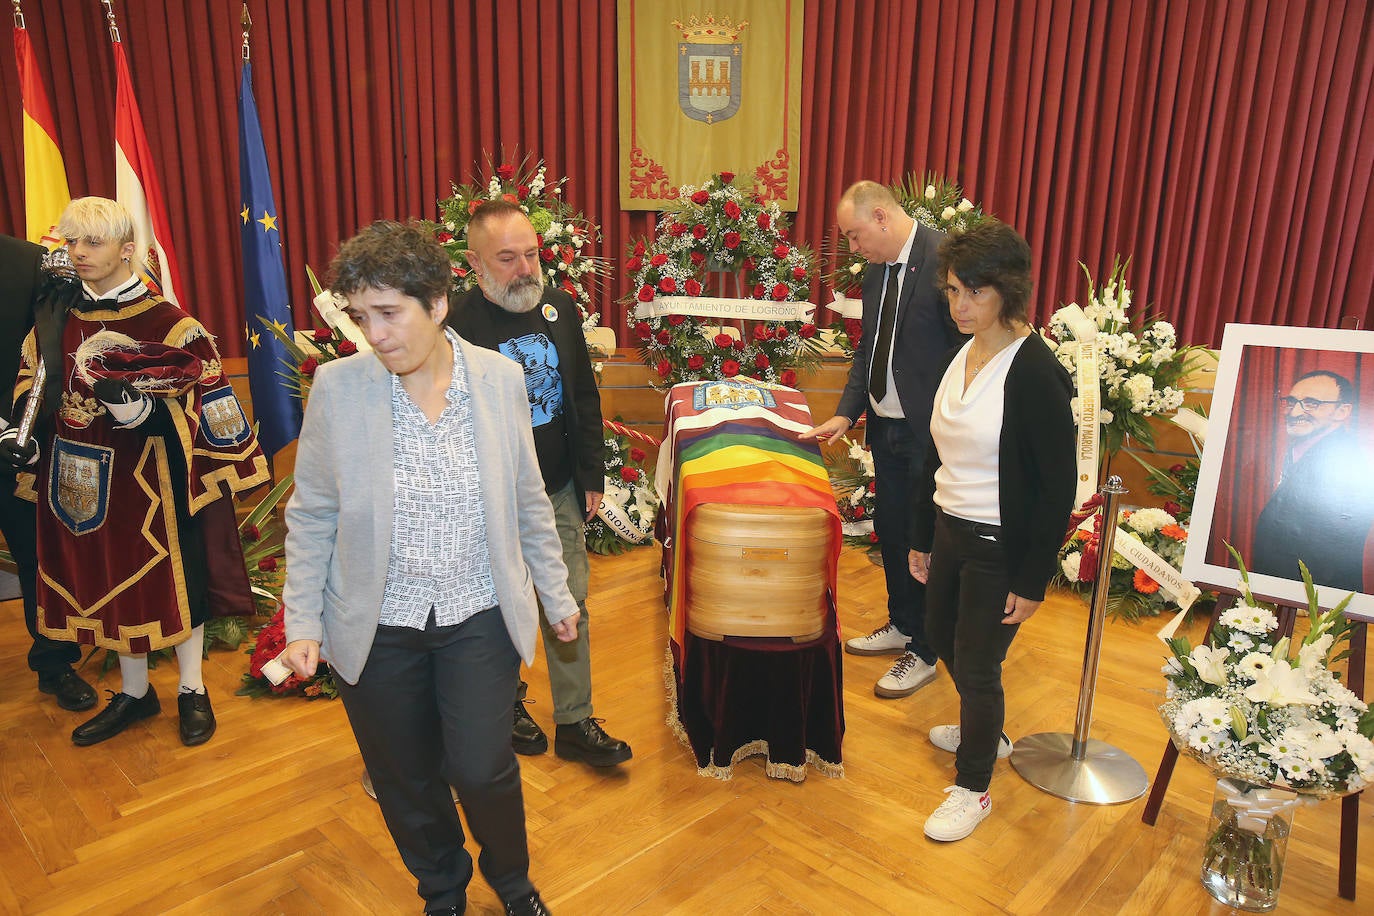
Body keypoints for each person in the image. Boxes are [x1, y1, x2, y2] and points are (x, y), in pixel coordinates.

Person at [282, 220, 574, 916]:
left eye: (389, 314)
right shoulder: (338, 386)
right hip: (377, 625)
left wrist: (557, 595)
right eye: (361, 316)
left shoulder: (500, 380)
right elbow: (313, 511)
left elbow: (529, 499)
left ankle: (513, 884)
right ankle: (442, 890)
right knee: (405, 778)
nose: (374, 334)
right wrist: (302, 619)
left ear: (436, 305)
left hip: (477, 612)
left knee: (481, 767)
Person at [0, 198, 267, 747]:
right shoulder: (55, 316)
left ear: (127, 251)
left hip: (154, 489)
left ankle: (193, 690)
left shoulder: (172, 325)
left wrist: (138, 410)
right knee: (109, 586)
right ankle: (136, 693)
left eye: (92, 243)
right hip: (78, 483)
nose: (77, 254)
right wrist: (20, 435)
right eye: (70, 242)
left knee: (176, 586)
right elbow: (34, 380)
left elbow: (203, 412)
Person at [907, 219, 1075, 841]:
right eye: (952, 291)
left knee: (977, 666)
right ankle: (989, 727)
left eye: (972, 292)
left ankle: (974, 786)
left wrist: (1032, 580)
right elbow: (935, 453)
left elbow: (1058, 486)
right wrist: (924, 535)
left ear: (1006, 290)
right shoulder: (964, 353)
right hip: (952, 530)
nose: (959, 304)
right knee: (938, 634)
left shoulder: (1033, 370)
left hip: (999, 545)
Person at [448, 200, 631, 767]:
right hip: (488, 501)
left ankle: (576, 721)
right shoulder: (455, 326)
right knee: (498, 608)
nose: (525, 268)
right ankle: (508, 707)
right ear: (476, 265)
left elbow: (581, 394)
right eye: (508, 258)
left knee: (570, 603)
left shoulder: (558, 308)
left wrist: (590, 473)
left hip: (557, 490)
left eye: (531, 254)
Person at [801, 180, 964, 699]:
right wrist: (847, 415)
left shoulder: (944, 259)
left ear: (881, 217)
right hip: (884, 426)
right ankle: (901, 622)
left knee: (926, 540)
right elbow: (868, 350)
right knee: (893, 530)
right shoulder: (875, 273)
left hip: (930, 431)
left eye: (854, 235)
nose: (853, 248)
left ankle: (927, 648)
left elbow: (966, 352)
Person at [0, 234, 96, 712]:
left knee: (36, 557)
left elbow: (51, 353)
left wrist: (21, 426)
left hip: (17, 444)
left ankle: (55, 662)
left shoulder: (33, 262)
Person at [1250, 369, 1374, 592]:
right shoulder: (1301, 448)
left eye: (1311, 403)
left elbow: (1332, 550)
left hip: (1311, 605)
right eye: (1292, 401)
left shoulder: (1344, 460)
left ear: (1342, 411)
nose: (1295, 411)